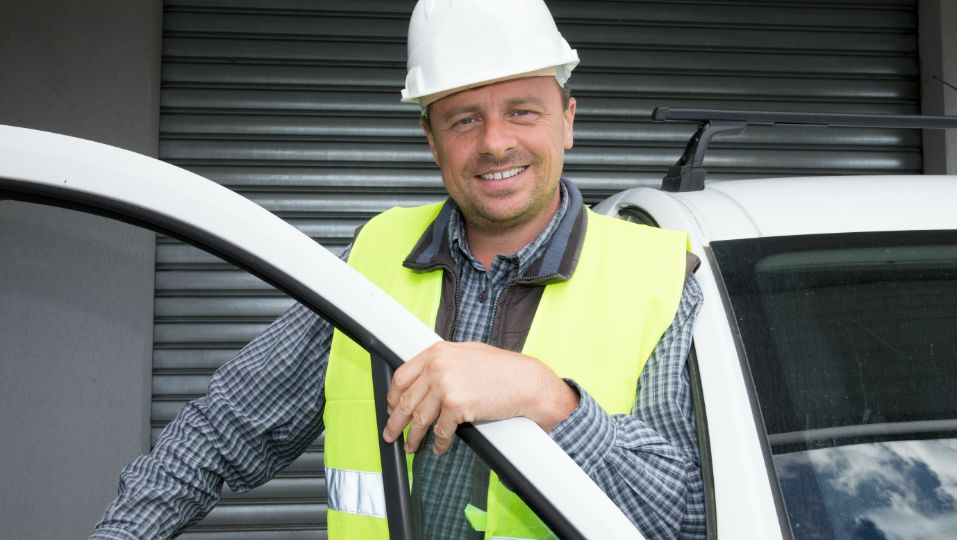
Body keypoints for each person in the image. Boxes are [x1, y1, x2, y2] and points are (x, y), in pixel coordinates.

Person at [91, 0, 706, 538]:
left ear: (567, 120)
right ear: (431, 138)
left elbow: (677, 518)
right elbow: (222, 430)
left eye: (522, 111)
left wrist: (546, 398)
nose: (494, 142)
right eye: (464, 119)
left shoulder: (656, 278)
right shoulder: (374, 258)